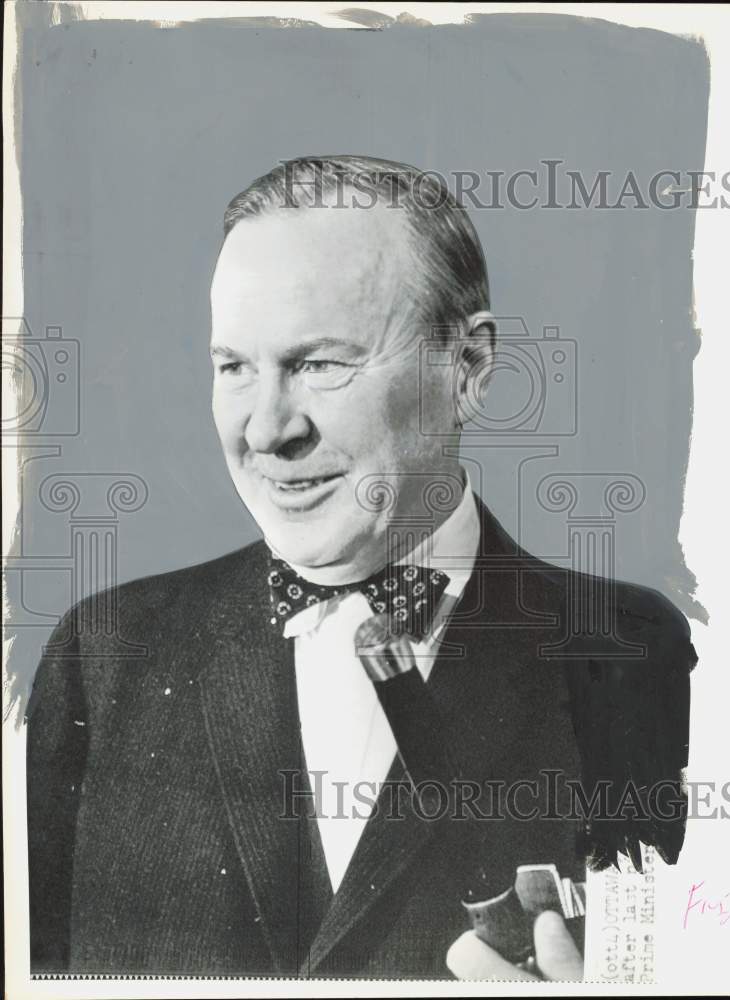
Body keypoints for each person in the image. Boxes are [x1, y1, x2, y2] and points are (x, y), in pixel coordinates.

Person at [26, 156, 696, 979]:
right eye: (234, 365)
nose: (266, 431)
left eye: (319, 363)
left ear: (471, 368)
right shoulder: (101, 654)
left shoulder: (630, 654)